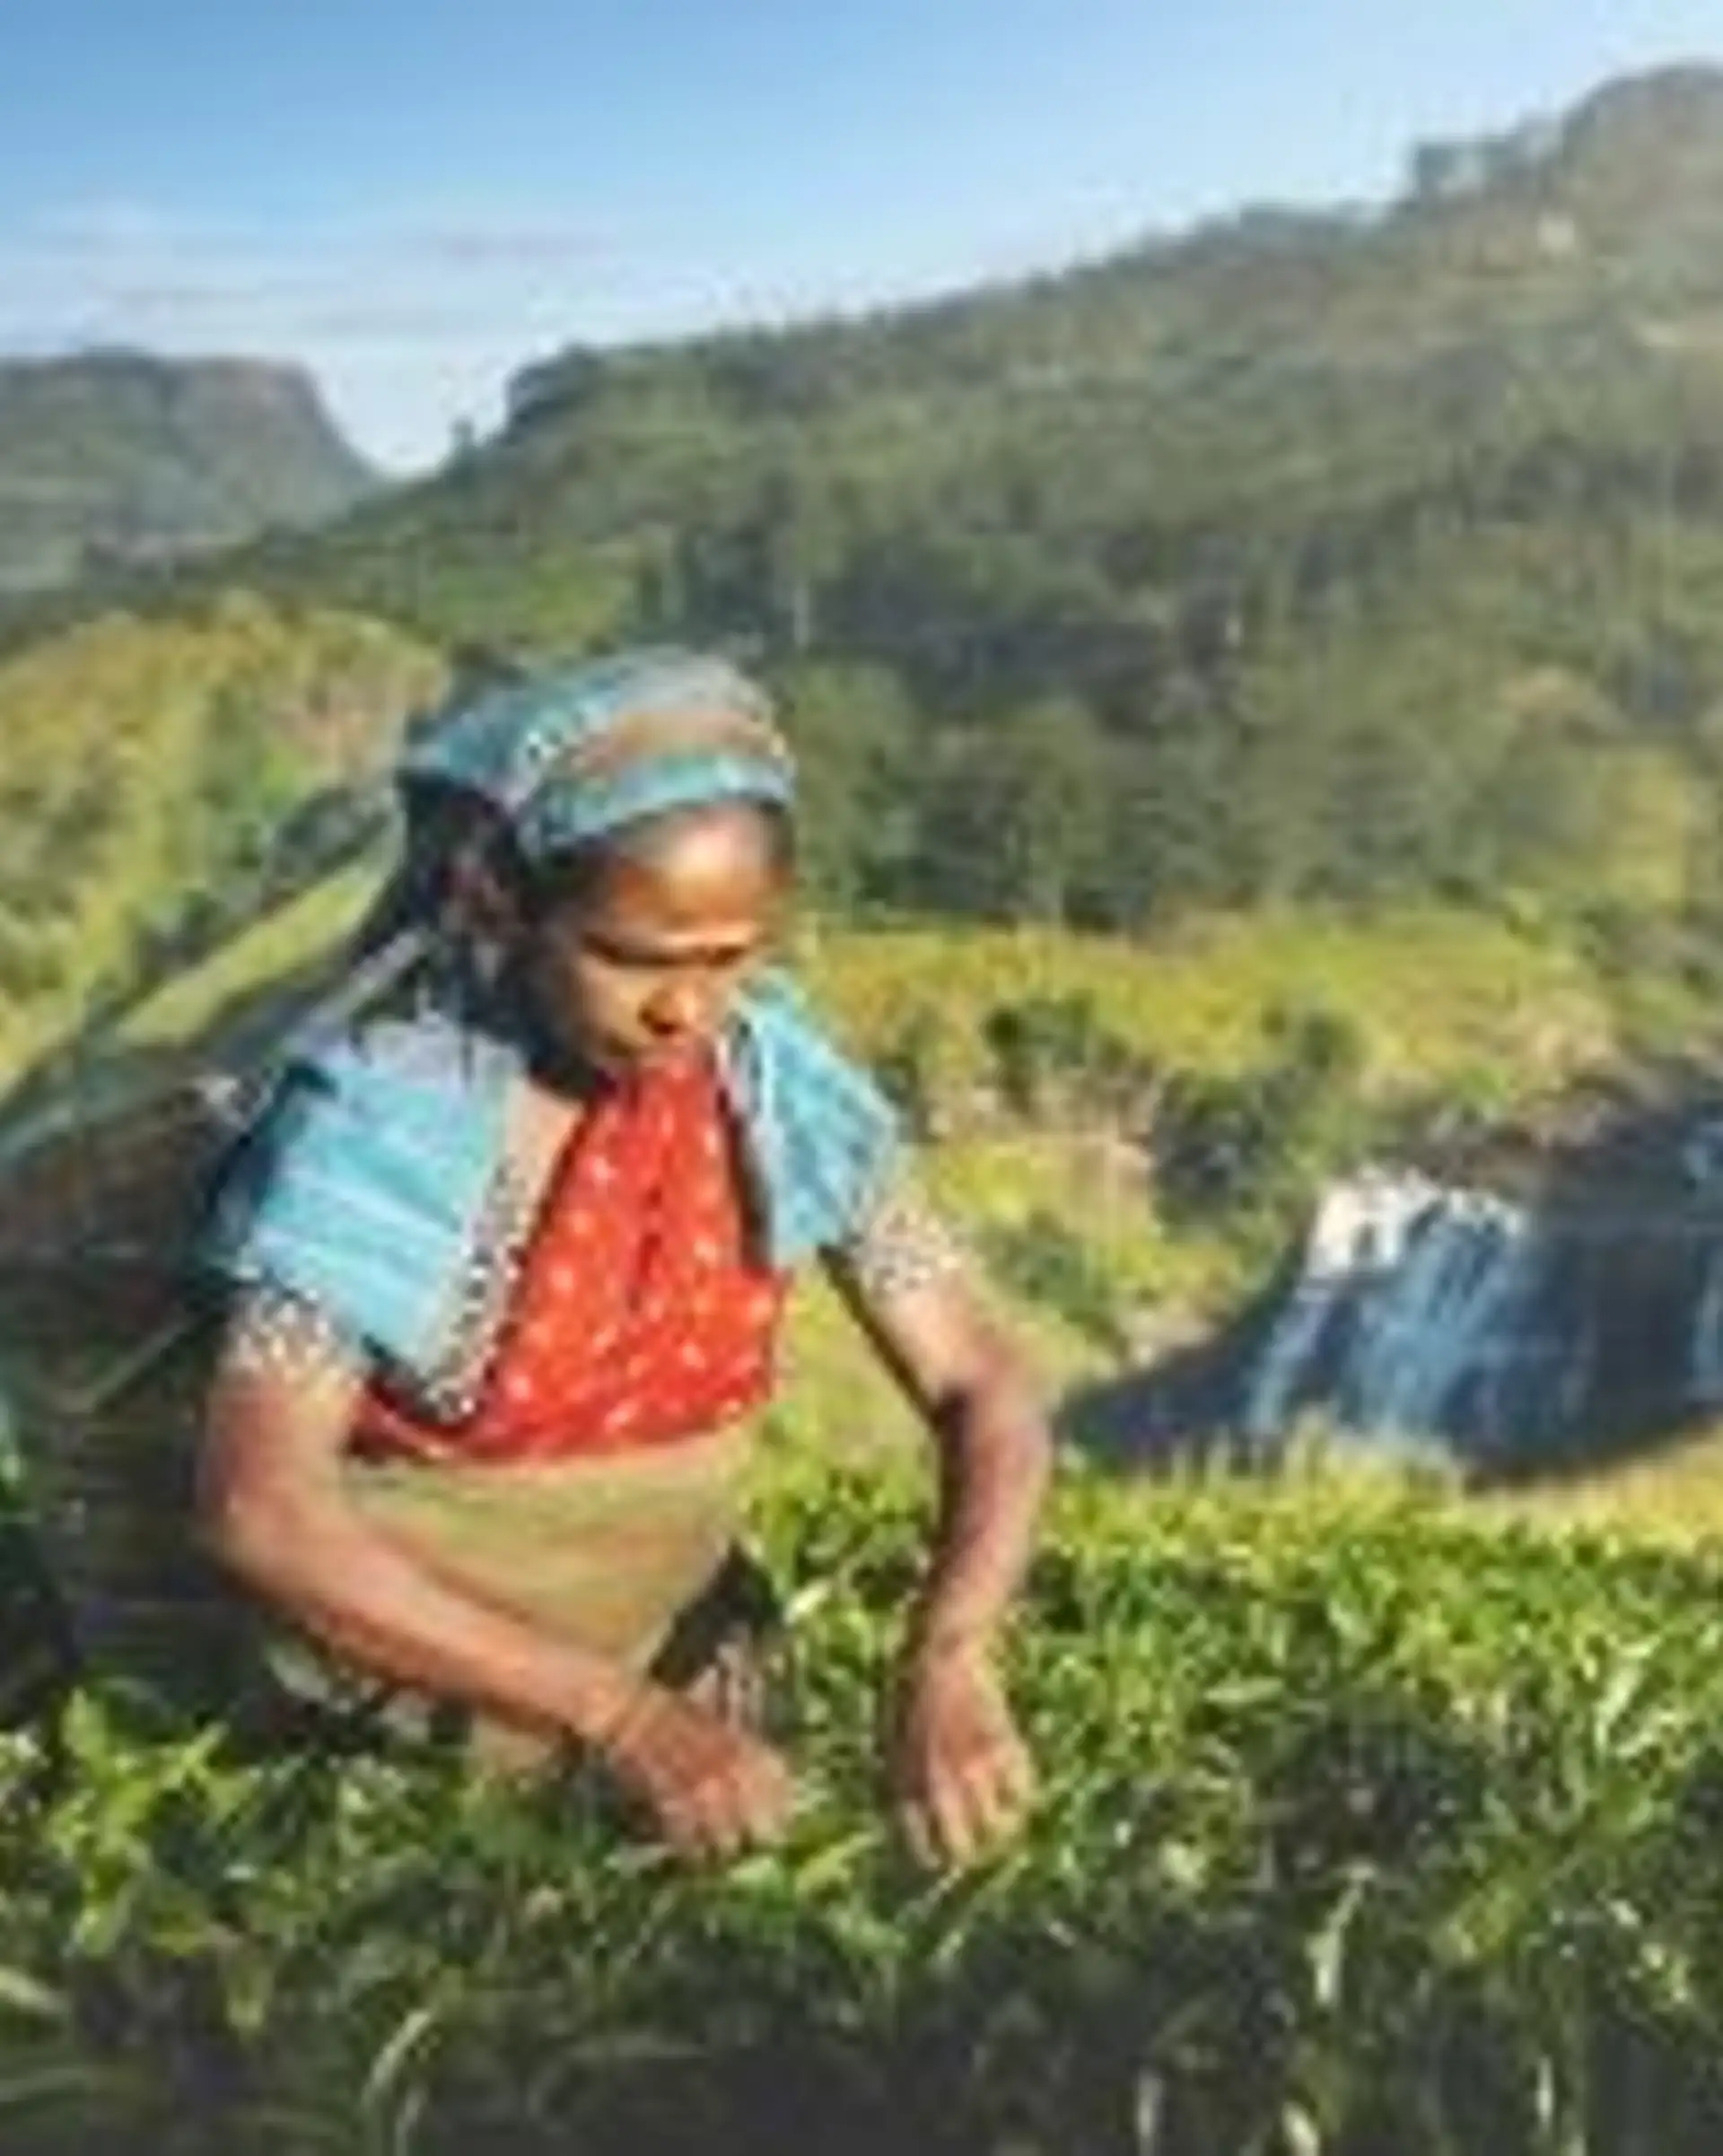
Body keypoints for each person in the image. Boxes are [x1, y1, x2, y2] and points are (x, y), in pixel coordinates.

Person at [192, 647, 1052, 1869]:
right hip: (390, 1741)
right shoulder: (385, 1121)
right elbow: (261, 1510)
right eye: (634, 956)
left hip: (698, 1715)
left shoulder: (774, 1083)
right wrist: (616, 1715)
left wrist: (953, 1654)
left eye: (727, 957)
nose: (684, 1010)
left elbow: (983, 1383)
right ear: (505, 904)